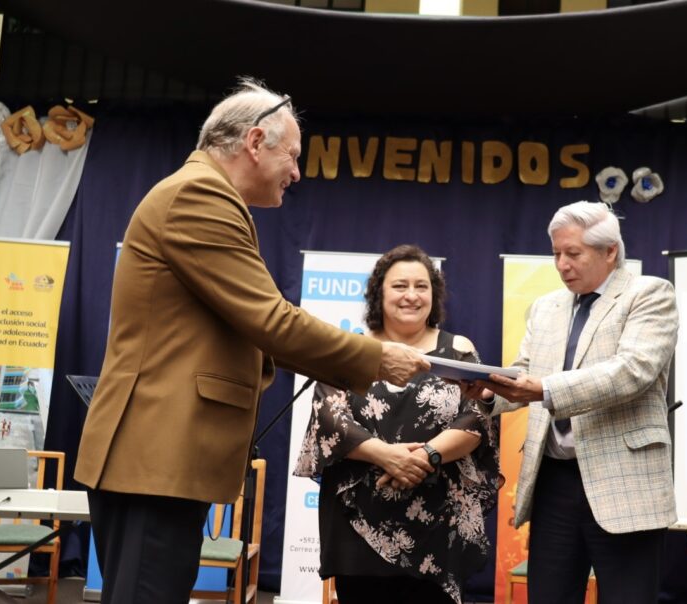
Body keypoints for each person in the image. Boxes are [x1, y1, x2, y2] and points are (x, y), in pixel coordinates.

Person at [73, 79, 429, 604]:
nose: (297, 173)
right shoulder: (200, 196)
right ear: (255, 142)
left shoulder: (204, 195)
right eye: (293, 155)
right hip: (156, 458)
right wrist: (379, 357)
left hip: (160, 459)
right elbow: (272, 322)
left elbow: (261, 328)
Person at [465, 200, 678, 603]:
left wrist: (544, 389)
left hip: (624, 480)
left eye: (573, 253)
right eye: (556, 254)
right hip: (554, 480)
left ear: (610, 251)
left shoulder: (649, 293)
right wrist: (489, 391)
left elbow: (632, 371)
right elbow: (524, 370)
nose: (562, 264)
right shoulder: (546, 307)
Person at [294, 244, 499, 604]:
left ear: (434, 295)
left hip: (439, 522)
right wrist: (388, 456)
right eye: (400, 286)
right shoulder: (350, 349)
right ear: (379, 293)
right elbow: (330, 420)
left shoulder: (460, 350)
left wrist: (426, 457)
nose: (411, 295)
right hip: (357, 521)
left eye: (422, 286)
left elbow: (476, 420)